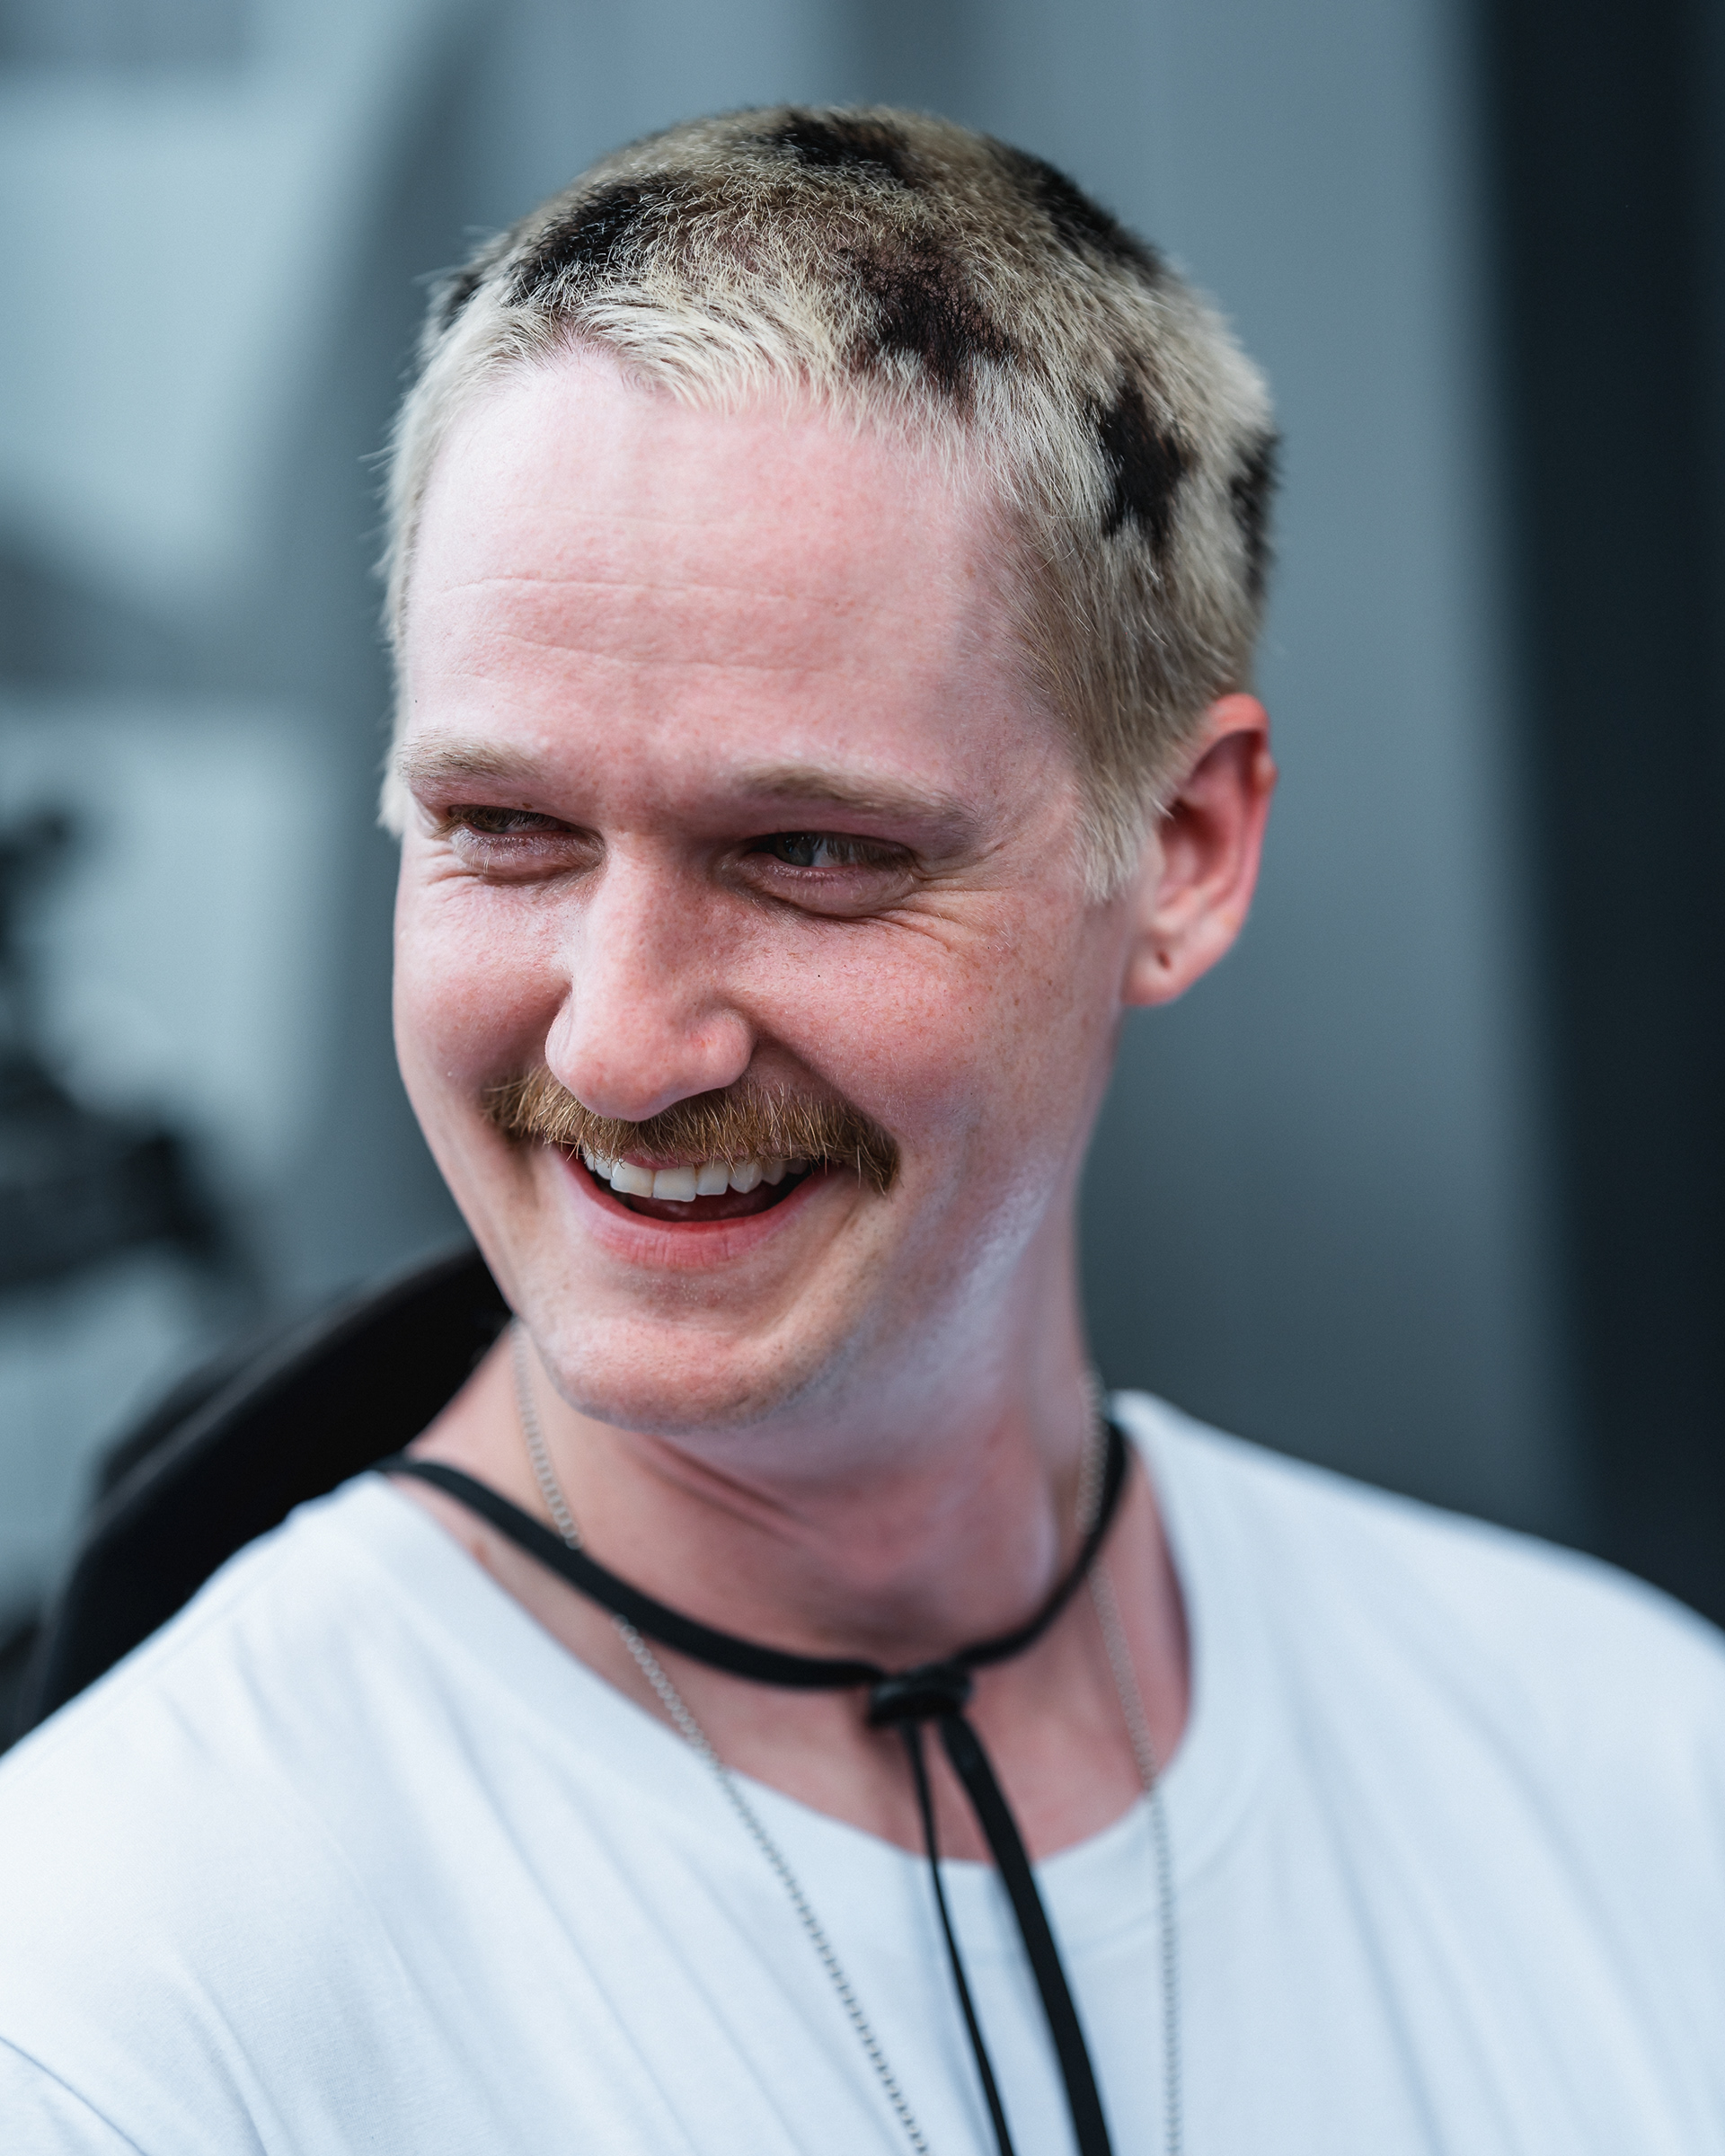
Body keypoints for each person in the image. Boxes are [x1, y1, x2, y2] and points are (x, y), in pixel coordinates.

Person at [2, 105, 1721, 2156]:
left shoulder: (1632, 1774)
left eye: (810, 851)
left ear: (1181, 849)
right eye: (504, 829)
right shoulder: (107, 2002)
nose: (622, 1045)